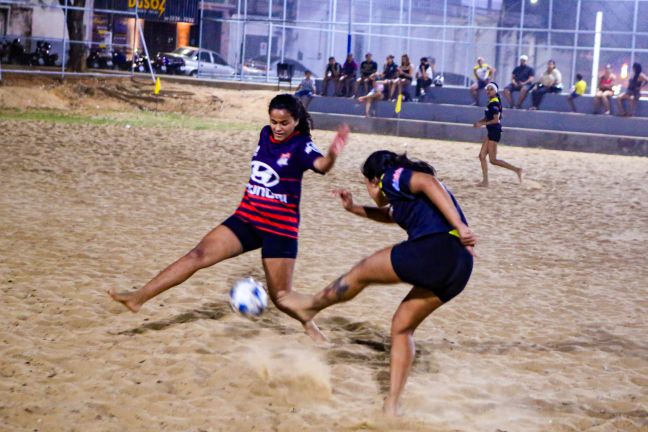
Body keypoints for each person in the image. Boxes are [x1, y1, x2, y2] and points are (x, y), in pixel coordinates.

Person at [108, 94, 350, 342]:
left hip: (279, 229)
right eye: (274, 121)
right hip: (248, 216)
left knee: (281, 298)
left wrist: (333, 153)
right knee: (197, 255)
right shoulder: (265, 134)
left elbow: (321, 165)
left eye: (284, 123)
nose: (278, 128)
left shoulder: (301, 145)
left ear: (296, 121)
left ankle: (309, 324)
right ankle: (138, 298)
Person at [294, 150, 476, 416]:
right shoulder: (406, 199)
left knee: (360, 272)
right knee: (402, 327)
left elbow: (427, 181)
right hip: (460, 266)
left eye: (367, 185)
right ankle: (392, 404)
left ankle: (310, 308)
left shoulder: (391, 175)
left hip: (436, 248)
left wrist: (460, 225)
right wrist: (353, 208)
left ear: (373, 180)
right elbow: (390, 214)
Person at [474, 83, 523, 187]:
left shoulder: (494, 103)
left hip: (495, 132)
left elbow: (495, 120)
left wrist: (482, 124)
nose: (488, 91)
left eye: (491, 89)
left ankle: (517, 170)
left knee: (493, 160)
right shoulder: (491, 102)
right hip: (491, 131)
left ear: (495, 91)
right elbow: (488, 117)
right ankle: (485, 181)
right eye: (487, 89)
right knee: (482, 156)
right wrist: (479, 122)